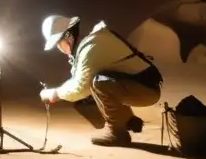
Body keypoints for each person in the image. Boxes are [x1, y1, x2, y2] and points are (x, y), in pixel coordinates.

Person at [38, 14, 162, 146]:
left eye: (58, 43)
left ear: (68, 36)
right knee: (98, 84)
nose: (59, 48)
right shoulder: (90, 42)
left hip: (146, 90)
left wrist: (53, 94)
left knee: (99, 83)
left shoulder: (91, 47)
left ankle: (117, 134)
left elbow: (80, 87)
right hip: (141, 85)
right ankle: (128, 120)